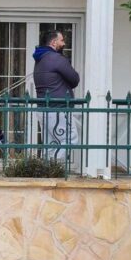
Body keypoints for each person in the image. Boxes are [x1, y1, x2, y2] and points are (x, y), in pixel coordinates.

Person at [33, 29, 80, 161]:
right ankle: (54, 166)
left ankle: (46, 168)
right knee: (70, 139)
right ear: (54, 42)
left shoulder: (40, 59)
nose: (63, 43)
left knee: (50, 145)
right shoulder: (57, 59)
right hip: (58, 109)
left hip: (43, 108)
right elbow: (75, 79)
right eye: (61, 40)